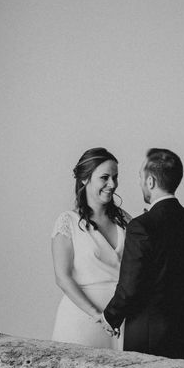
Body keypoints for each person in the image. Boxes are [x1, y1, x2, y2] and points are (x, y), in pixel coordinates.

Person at [102, 148, 184, 360]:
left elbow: (130, 285)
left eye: (140, 178)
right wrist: (180, 309)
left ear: (150, 181)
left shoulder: (141, 226)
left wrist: (110, 317)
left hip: (147, 335)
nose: (140, 183)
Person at [51, 148, 131, 349]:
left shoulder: (126, 220)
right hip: (82, 321)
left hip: (122, 321)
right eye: (105, 177)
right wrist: (97, 315)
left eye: (115, 177)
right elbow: (63, 277)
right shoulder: (67, 221)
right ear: (85, 179)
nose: (112, 184)